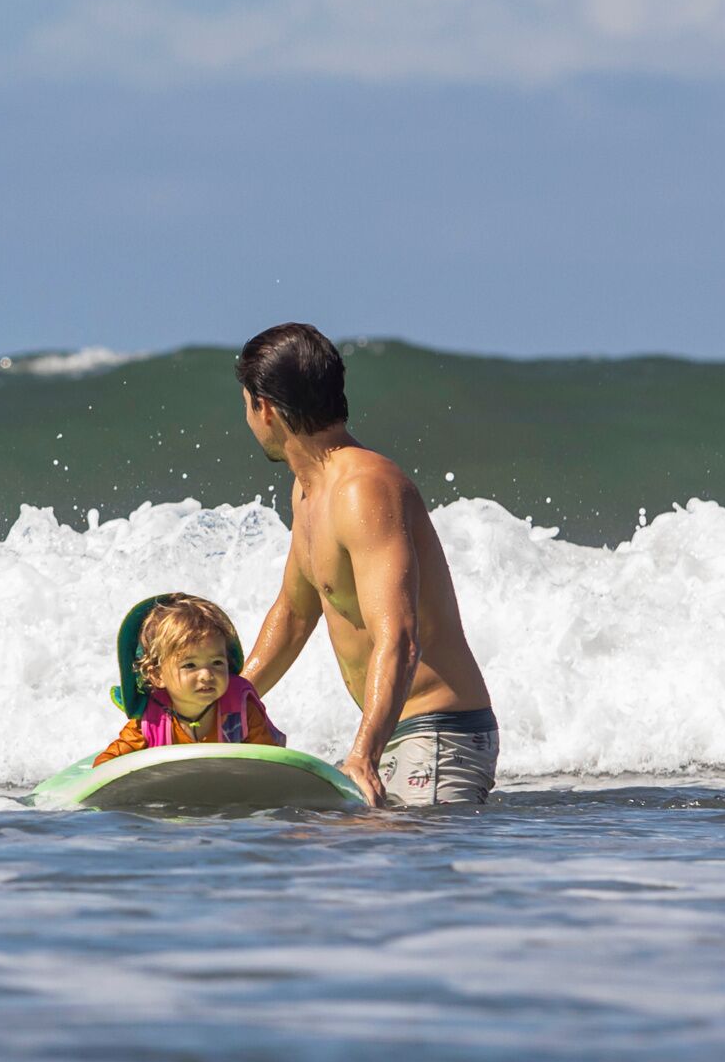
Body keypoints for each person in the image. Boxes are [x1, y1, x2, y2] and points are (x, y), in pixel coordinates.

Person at [234, 323, 500, 807]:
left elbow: (399, 634)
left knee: (386, 869)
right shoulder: (309, 491)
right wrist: (223, 703)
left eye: (247, 403)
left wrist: (363, 755)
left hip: (438, 731)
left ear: (265, 408)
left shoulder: (363, 489)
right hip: (396, 732)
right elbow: (293, 617)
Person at [88, 593, 285, 765]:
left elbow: (270, 763)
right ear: (157, 675)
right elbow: (107, 764)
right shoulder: (151, 720)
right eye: (190, 665)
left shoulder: (241, 710)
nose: (207, 675)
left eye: (217, 662)